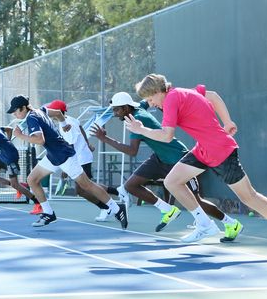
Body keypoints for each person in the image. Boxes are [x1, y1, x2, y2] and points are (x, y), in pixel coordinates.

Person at [126, 74, 267, 257]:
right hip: (204, 150)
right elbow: (212, 95)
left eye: (151, 98)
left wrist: (140, 130)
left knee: (249, 197)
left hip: (220, 150)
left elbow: (167, 136)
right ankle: (204, 224)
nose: (151, 103)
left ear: (159, 91)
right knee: (172, 181)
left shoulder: (172, 99)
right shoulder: (181, 92)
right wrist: (227, 121)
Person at [91, 92, 243, 242]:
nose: (114, 113)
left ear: (125, 108)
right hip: (159, 158)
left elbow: (132, 151)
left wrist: (104, 138)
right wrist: (150, 92)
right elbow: (146, 101)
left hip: (178, 158)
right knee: (131, 185)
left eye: (116, 109)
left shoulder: (137, 119)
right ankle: (168, 209)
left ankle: (230, 224)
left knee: (197, 200)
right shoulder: (139, 108)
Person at [7, 95, 127, 229]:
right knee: (32, 179)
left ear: (24, 108)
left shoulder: (31, 118)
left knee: (86, 185)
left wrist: (20, 136)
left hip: (64, 155)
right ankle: (48, 213)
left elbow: (40, 140)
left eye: (16, 111)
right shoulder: (41, 110)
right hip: (53, 155)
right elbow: (58, 113)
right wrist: (64, 125)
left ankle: (117, 208)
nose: (14, 114)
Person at [45, 100, 121, 222]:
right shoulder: (69, 120)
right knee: (86, 187)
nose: (50, 113)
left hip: (81, 158)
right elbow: (81, 129)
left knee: (84, 188)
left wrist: (67, 165)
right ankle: (115, 195)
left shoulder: (68, 123)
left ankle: (108, 205)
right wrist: (87, 143)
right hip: (80, 156)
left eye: (53, 110)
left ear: (58, 112)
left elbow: (71, 144)